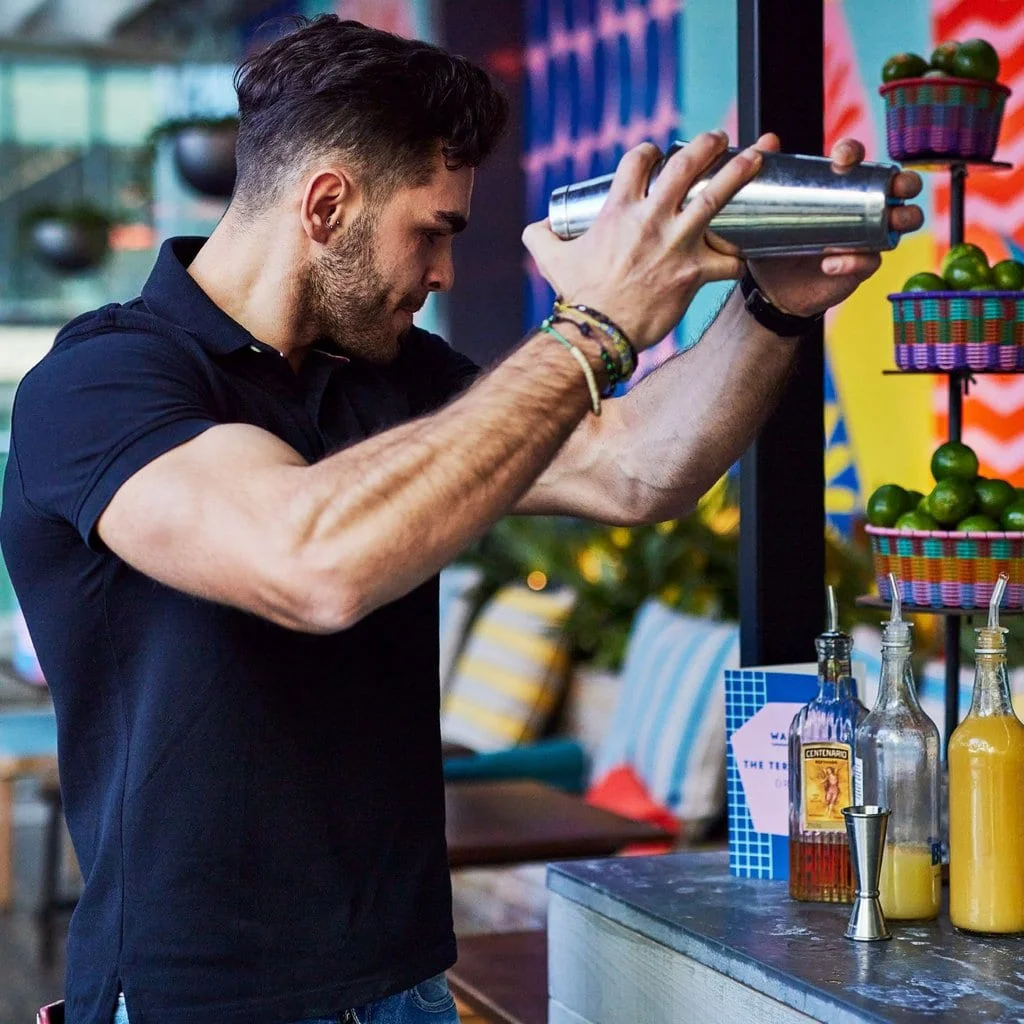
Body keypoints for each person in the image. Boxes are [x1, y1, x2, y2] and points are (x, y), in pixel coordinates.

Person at [0, 14, 922, 1024]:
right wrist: (595, 327)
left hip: (403, 984)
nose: (442, 273)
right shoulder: (105, 381)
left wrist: (771, 310)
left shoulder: (397, 376)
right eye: (431, 231)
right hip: (200, 998)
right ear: (325, 204)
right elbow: (309, 560)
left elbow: (634, 470)